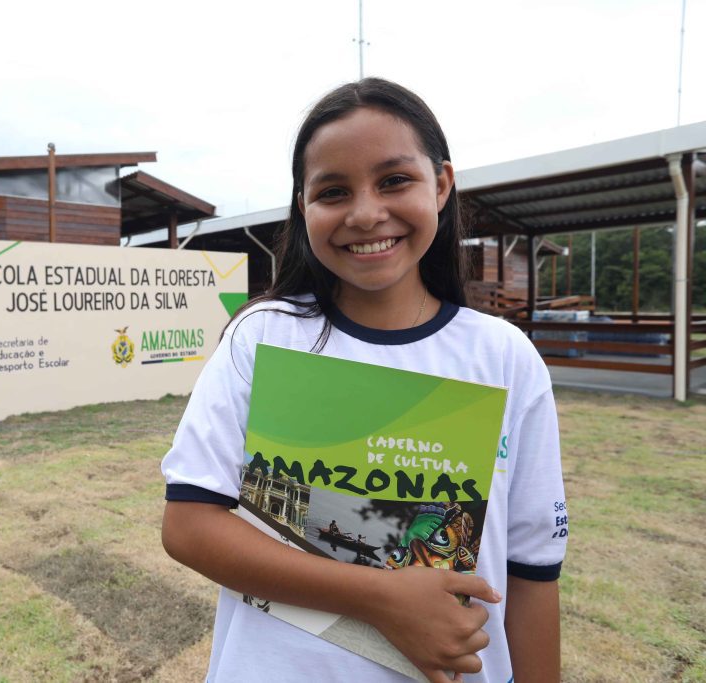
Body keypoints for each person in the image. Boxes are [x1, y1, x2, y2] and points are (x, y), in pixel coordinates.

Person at [160, 78, 567, 682]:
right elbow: (190, 526)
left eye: (395, 180)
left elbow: (533, 572)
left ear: (442, 184)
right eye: (333, 191)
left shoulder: (505, 357)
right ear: (304, 207)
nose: (366, 212)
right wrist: (378, 597)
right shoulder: (264, 337)